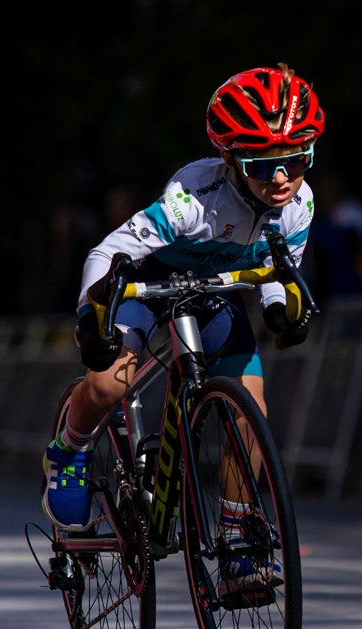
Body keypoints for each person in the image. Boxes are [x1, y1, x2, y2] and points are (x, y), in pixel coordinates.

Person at [42, 63, 323, 591]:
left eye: (294, 159)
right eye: (262, 166)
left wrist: (277, 304)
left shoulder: (299, 205)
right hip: (147, 285)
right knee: (108, 383)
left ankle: (240, 542)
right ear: (230, 160)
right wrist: (91, 312)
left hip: (211, 295)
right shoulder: (193, 198)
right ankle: (70, 450)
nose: (281, 178)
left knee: (250, 415)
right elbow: (111, 250)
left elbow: (277, 267)